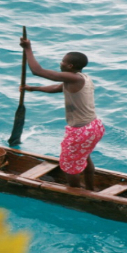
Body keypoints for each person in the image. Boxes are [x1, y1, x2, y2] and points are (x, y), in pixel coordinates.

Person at [19, 37, 105, 190]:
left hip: (81, 130)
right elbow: (56, 88)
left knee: (70, 164)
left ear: (70, 66)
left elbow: (37, 71)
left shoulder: (72, 78)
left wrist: (27, 48)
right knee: (84, 157)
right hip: (94, 126)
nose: (60, 63)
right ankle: (90, 190)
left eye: (63, 62)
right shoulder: (81, 78)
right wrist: (33, 88)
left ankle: (75, 192)